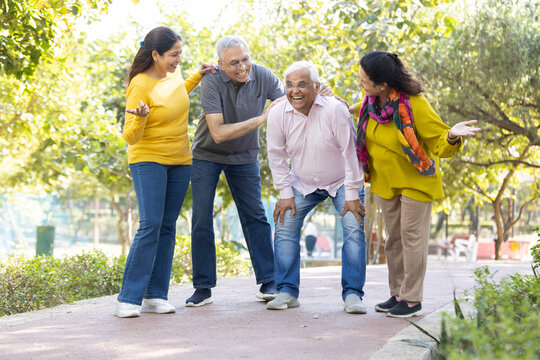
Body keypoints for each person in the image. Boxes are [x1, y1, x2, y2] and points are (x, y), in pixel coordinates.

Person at [186, 35, 333, 307]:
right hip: (207, 154)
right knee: (201, 218)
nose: (242, 67)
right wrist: (263, 118)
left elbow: (294, 102)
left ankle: (269, 280)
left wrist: (319, 94)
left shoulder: (264, 76)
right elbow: (217, 133)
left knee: (255, 215)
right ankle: (203, 287)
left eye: (245, 60)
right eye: (233, 63)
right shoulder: (211, 80)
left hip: (244, 156)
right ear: (220, 63)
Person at [352, 51, 480, 318]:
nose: (360, 83)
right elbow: (354, 111)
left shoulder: (414, 104)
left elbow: (438, 141)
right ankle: (397, 294)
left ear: (383, 84)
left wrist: (452, 136)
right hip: (386, 183)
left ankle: (412, 300)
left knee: (412, 239)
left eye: (364, 80)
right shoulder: (370, 104)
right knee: (393, 241)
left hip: (416, 180)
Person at [116, 26, 215, 318]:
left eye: (180, 54)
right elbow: (130, 136)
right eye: (173, 55)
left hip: (180, 159)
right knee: (150, 224)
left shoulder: (174, 76)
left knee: (167, 226)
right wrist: (142, 119)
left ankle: (155, 295)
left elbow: (175, 95)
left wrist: (197, 76)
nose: (178, 60)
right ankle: (129, 298)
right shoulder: (139, 84)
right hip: (148, 158)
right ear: (156, 54)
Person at [266, 61, 367, 314]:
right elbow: (275, 156)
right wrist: (285, 193)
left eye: (302, 85)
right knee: (284, 226)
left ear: (317, 87)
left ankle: (353, 294)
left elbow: (350, 153)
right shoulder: (278, 113)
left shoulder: (335, 110)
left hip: (342, 180)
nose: (295, 91)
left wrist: (353, 194)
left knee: (353, 230)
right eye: (289, 85)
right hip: (302, 182)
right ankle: (287, 291)